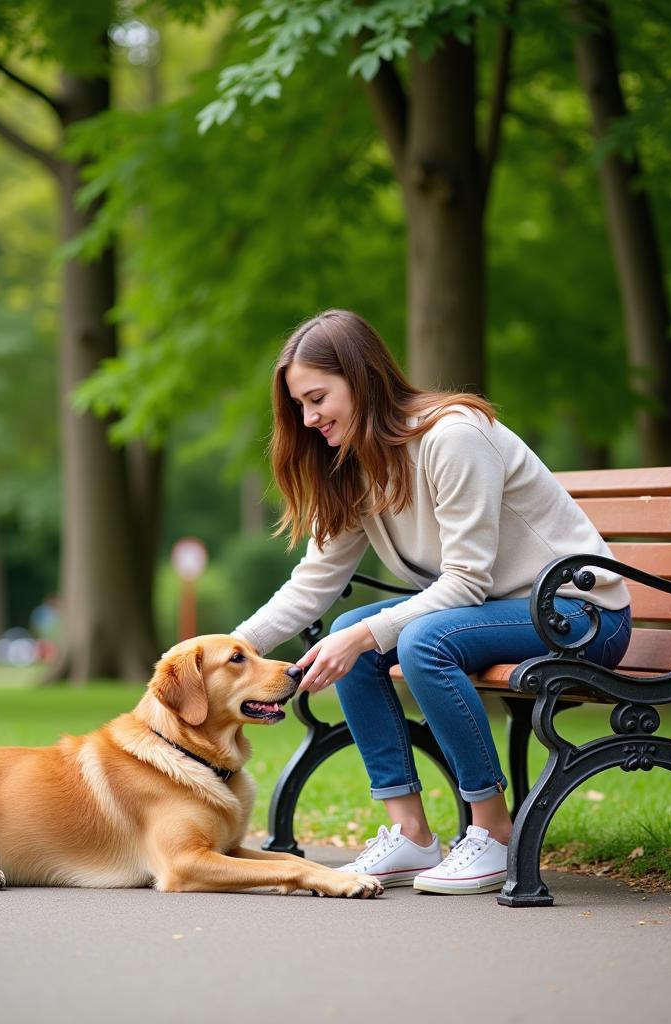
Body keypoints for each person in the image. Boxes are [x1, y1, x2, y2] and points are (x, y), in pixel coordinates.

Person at [232, 310, 631, 895]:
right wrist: (227, 651)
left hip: (579, 614)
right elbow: (313, 582)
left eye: (318, 398)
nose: (309, 418)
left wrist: (368, 636)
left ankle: (492, 835)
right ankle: (412, 835)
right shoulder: (355, 464)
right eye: (300, 406)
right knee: (351, 625)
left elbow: (466, 582)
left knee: (412, 636)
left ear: (360, 379)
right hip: (495, 614)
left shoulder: (453, 436)